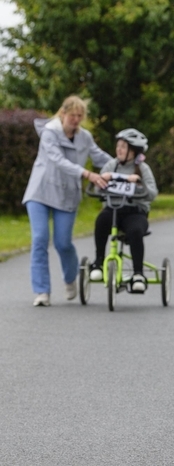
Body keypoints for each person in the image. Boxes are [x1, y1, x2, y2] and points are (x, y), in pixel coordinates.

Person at [22, 95, 111, 307]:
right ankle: (42, 291)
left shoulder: (84, 137)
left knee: (63, 243)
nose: (76, 119)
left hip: (67, 195)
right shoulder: (49, 133)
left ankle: (70, 279)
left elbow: (100, 157)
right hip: (41, 192)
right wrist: (87, 174)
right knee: (40, 239)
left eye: (80, 116)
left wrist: (128, 163)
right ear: (63, 113)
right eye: (73, 115)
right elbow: (58, 161)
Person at [89, 129, 158, 292]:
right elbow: (98, 190)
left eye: (123, 147)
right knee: (101, 221)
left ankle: (138, 274)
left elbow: (153, 194)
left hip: (135, 211)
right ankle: (98, 262)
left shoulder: (142, 168)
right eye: (118, 146)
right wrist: (102, 181)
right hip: (113, 209)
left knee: (135, 230)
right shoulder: (111, 165)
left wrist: (139, 183)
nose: (119, 150)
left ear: (133, 151)